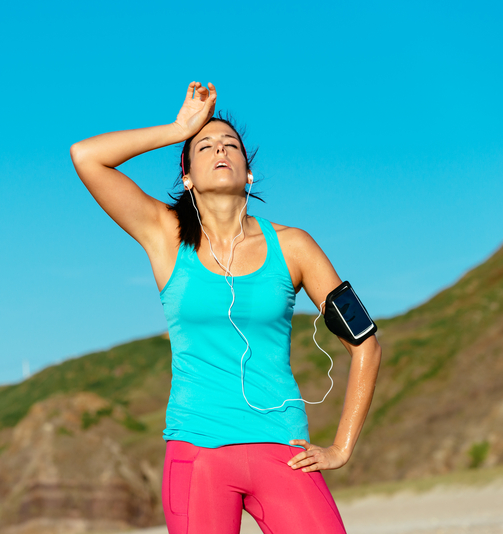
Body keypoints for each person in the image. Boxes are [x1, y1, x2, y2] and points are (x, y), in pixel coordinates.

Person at [70, 82, 382, 533]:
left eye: (231, 144)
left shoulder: (293, 246)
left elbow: (365, 343)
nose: (220, 149)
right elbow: (86, 156)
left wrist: (341, 447)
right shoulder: (165, 235)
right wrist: (179, 127)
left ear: (248, 172)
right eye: (205, 145)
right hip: (197, 454)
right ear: (187, 176)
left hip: (284, 450)